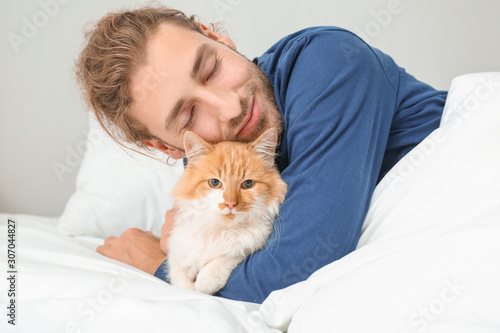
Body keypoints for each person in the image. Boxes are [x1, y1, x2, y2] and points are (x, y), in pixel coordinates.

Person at [76, 5, 447, 303]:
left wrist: (163, 267)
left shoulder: (331, 62)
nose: (229, 106)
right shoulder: (211, 166)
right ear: (168, 147)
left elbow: (294, 267)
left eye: (212, 68)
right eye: (189, 115)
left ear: (218, 37)